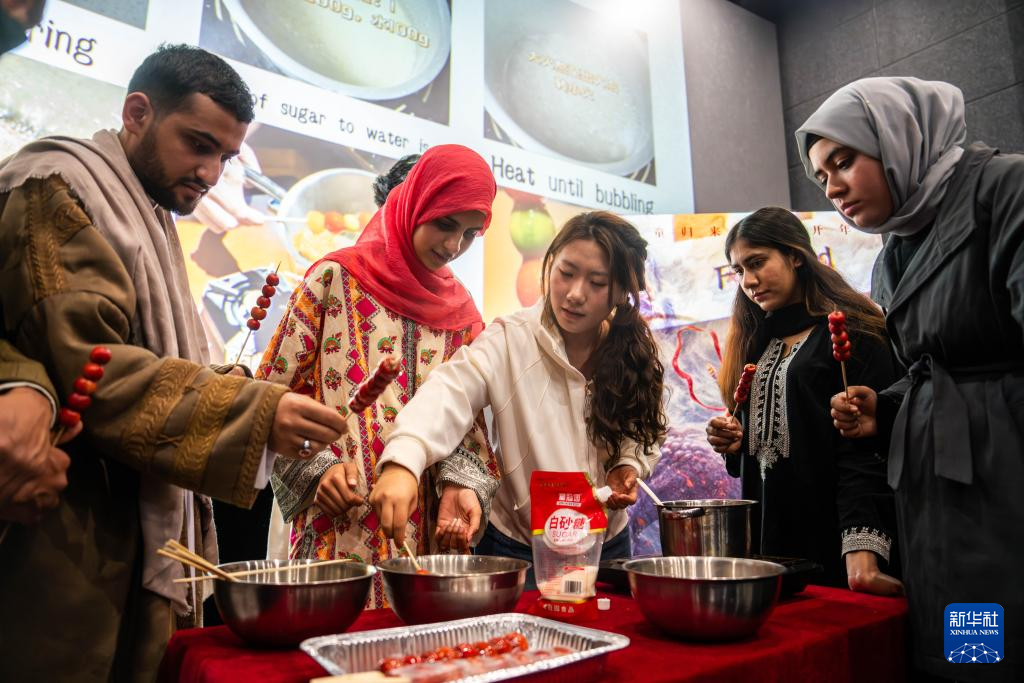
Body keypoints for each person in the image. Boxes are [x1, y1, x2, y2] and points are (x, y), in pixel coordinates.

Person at [0, 44, 347, 680]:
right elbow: (90, 368)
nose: (211, 173)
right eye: (198, 145)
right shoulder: (57, 185)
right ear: (137, 113)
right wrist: (252, 410)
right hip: (62, 520)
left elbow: (142, 356)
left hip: (120, 520)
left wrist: (230, 385)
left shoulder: (147, 207)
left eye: (226, 157)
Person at [797, 76, 1024, 682]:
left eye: (843, 161)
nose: (833, 187)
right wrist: (889, 407)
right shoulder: (893, 253)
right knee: (959, 647)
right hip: (935, 500)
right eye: (821, 177)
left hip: (1003, 482)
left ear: (898, 138)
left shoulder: (1005, 190)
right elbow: (926, 369)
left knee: (999, 648)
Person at [259, 144, 499, 607]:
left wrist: (460, 486)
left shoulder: (464, 318)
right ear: (413, 205)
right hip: (336, 526)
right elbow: (268, 395)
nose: (454, 246)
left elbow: (468, 430)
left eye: (470, 234)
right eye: (445, 224)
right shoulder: (333, 280)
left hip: (421, 536)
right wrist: (316, 468)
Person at [369, 211, 666, 582]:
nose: (575, 294)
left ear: (622, 292)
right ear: (550, 264)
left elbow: (644, 429)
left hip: (605, 545)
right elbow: (448, 392)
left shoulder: (634, 352)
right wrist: (404, 459)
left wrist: (628, 465)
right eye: (566, 272)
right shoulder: (510, 339)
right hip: (521, 548)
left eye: (597, 282)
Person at [705, 207, 902, 594]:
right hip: (765, 552)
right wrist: (735, 442)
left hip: (837, 551)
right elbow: (767, 455)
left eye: (757, 263)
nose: (748, 281)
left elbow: (868, 453)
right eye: (738, 270)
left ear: (795, 255)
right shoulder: (756, 343)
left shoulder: (855, 333)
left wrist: (861, 549)